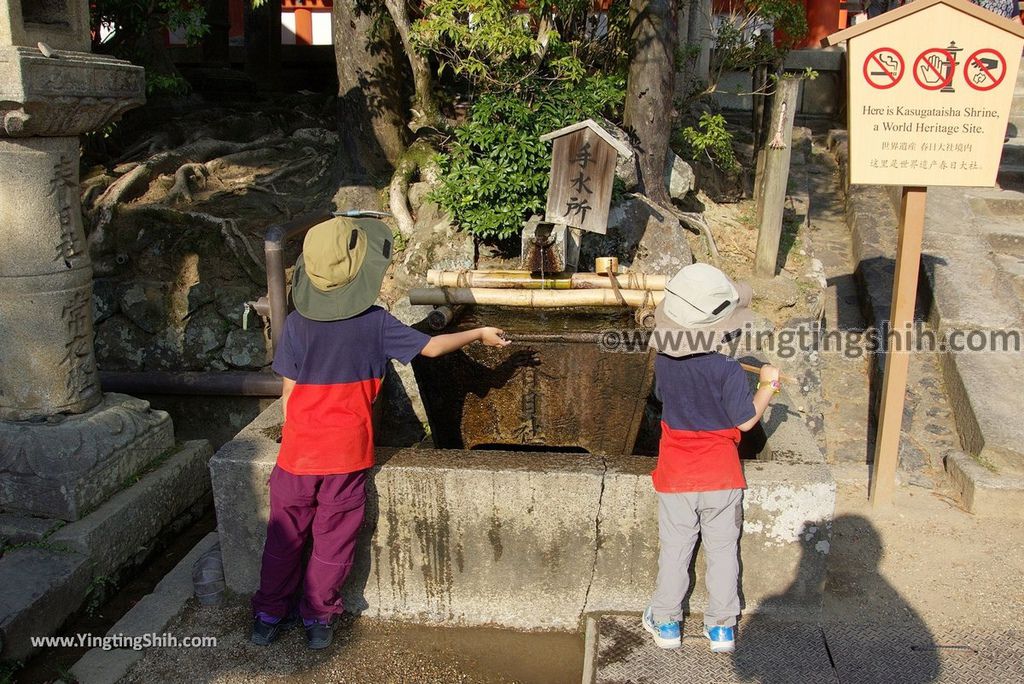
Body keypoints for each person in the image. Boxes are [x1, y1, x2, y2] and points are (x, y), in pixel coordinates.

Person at [249, 216, 508, 650]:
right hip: (346, 455)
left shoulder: (295, 324)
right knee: (333, 539)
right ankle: (318, 616)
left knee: (283, 537)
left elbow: (289, 397)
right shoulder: (375, 322)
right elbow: (430, 347)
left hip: (297, 456)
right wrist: (479, 331)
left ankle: (268, 614)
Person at [641, 263, 781, 654]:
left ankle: (667, 622)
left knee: (675, 550)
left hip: (676, 477)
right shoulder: (729, 370)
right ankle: (721, 628)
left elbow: (666, 400)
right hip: (722, 476)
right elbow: (747, 420)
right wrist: (768, 385)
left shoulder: (665, 363)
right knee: (722, 552)